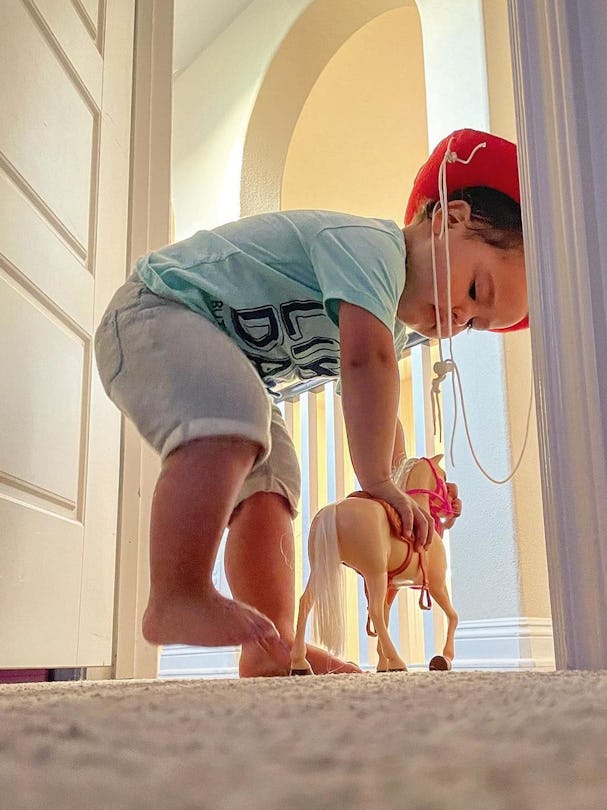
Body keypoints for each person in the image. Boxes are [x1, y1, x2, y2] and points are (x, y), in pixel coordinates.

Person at [94, 129, 528, 677]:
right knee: (235, 423)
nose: (459, 320)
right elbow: (368, 365)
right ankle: (176, 593)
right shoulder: (373, 249)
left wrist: (403, 488)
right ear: (449, 218)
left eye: (475, 324)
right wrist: (378, 482)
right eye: (474, 291)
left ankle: (269, 644)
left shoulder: (394, 323)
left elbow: (375, 401)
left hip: (238, 364)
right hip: (156, 310)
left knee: (273, 479)